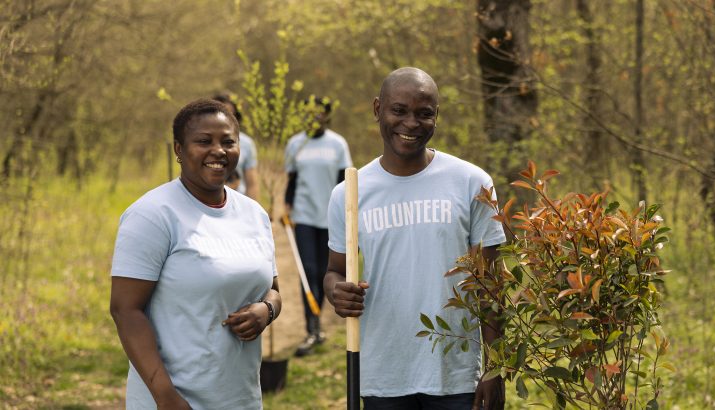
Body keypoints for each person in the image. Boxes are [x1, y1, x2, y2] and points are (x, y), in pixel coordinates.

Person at [324, 67, 506, 410]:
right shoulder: (349, 192)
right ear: (378, 109)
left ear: (437, 117)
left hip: (456, 374)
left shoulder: (471, 182)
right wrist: (336, 291)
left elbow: (491, 283)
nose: (411, 123)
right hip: (382, 373)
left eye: (424, 114)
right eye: (399, 110)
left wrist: (496, 367)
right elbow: (333, 270)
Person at [110, 99, 281, 409]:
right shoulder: (152, 215)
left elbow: (273, 289)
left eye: (228, 141)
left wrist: (266, 310)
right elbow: (125, 311)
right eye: (204, 141)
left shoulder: (253, 214)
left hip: (240, 398)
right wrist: (165, 396)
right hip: (174, 399)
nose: (218, 150)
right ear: (178, 149)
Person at [284, 97, 353, 356]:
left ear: (327, 116)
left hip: (330, 219)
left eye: (319, 114)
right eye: (309, 113)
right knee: (308, 271)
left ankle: (318, 322)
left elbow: (344, 182)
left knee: (324, 272)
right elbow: (291, 180)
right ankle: (312, 328)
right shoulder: (295, 143)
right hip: (303, 216)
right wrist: (287, 206)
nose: (314, 118)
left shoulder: (337, 144)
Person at [213, 93, 261, 203]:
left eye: (229, 114)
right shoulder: (200, 141)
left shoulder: (246, 143)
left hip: (237, 204)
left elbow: (252, 183)